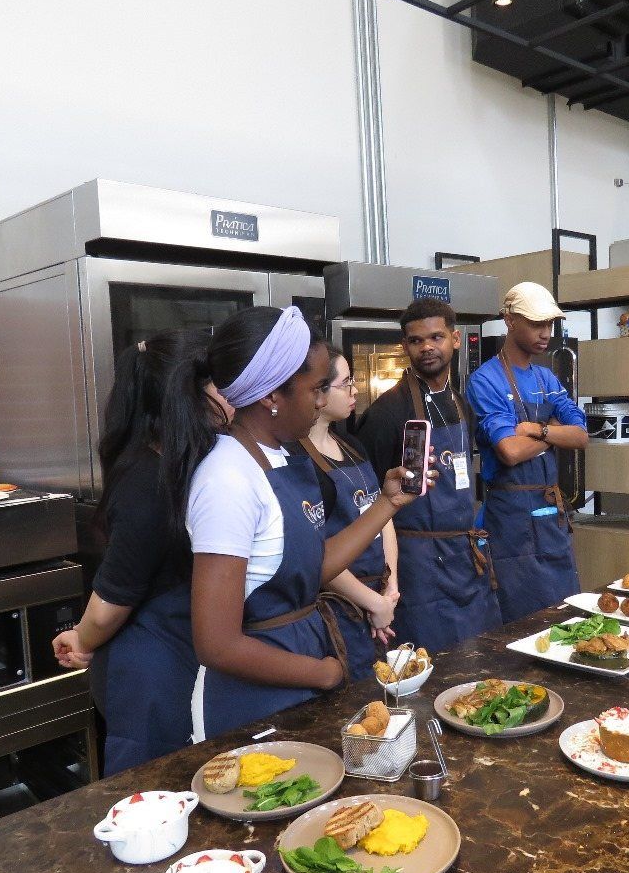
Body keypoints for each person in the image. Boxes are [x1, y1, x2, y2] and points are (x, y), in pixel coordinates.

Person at [173, 306, 426, 741]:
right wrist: (324, 672)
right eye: (315, 388)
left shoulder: (287, 456)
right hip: (254, 704)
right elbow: (216, 644)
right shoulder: (227, 479)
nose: (321, 399)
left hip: (304, 671)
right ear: (272, 396)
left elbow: (314, 562)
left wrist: (388, 503)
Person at [51, 332, 235, 774]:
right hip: (153, 671)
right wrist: (83, 638)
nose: (229, 395)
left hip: (193, 653)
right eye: (216, 384)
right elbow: (114, 599)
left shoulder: (203, 462)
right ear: (188, 396)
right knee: (154, 792)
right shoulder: (145, 482)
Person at [355, 300, 502, 650]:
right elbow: (366, 499)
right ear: (405, 346)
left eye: (436, 337)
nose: (427, 347)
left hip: (465, 556)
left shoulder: (460, 403)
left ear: (454, 338)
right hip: (419, 565)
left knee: (476, 658)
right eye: (416, 340)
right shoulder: (387, 413)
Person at [467, 282, 587, 622]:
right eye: (536, 323)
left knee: (566, 617)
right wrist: (554, 432)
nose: (545, 332)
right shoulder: (485, 380)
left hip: (551, 516)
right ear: (509, 320)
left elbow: (580, 436)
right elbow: (510, 451)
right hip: (510, 524)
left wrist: (538, 429)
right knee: (520, 624)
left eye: (549, 324)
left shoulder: (547, 378)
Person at [299, 345, 399, 681]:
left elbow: (383, 517)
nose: (355, 390)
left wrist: (391, 589)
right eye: (346, 384)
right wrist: (372, 602)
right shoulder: (300, 461)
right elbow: (317, 555)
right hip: (339, 607)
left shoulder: (352, 445)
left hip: (378, 599)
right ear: (319, 393)